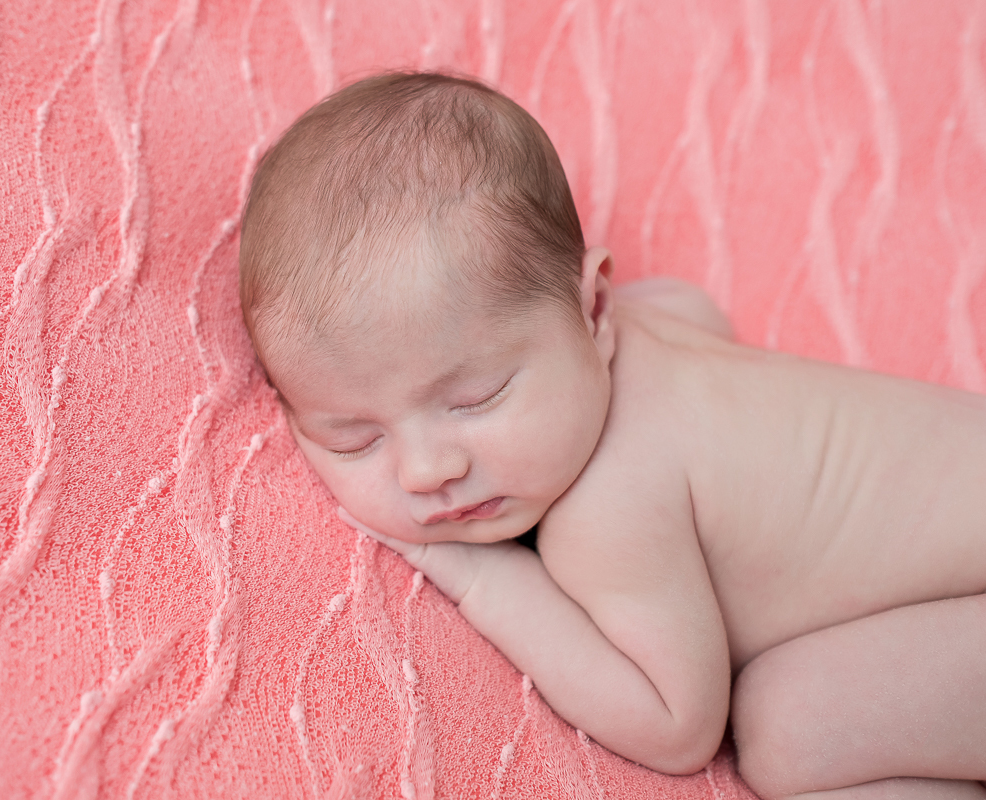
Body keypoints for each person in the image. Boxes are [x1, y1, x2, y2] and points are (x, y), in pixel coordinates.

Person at [238, 71, 986, 799]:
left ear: (594, 308)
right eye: (353, 439)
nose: (427, 468)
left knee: (791, 726)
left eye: (476, 397)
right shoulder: (641, 324)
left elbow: (677, 725)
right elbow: (697, 310)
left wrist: (480, 578)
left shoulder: (609, 510)